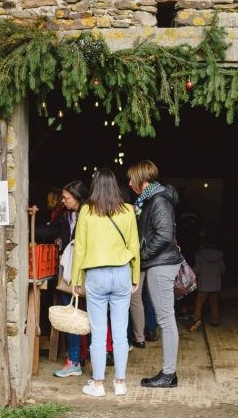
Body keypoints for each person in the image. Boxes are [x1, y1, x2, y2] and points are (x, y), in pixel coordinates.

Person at [71, 168, 140, 397]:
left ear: (95, 187)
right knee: (121, 332)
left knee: (98, 334)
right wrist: (135, 276)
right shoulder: (128, 211)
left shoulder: (86, 212)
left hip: (96, 276)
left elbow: (79, 248)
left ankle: (98, 384)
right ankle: (120, 383)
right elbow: (134, 246)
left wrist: (75, 280)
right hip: (121, 274)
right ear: (115, 186)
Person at [127, 160, 183, 388]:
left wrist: (143, 255)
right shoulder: (149, 199)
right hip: (159, 263)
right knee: (166, 318)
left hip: (160, 264)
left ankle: (169, 375)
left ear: (142, 179)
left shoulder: (158, 199)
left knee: (166, 320)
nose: (130, 184)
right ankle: (169, 372)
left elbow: (163, 235)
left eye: (131, 179)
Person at [52, 180, 90, 378]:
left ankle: (95, 360)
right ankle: (74, 360)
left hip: (89, 272)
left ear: (78, 197)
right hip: (69, 273)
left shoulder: (91, 215)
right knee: (71, 315)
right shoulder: (66, 215)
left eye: (67, 198)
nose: (63, 201)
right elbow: (53, 232)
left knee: (95, 316)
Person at [188, 233, 225, 331]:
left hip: (204, 284)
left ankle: (197, 320)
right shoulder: (219, 256)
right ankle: (215, 321)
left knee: (199, 303)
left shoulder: (200, 255)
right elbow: (222, 270)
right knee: (214, 302)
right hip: (215, 284)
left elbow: (196, 270)